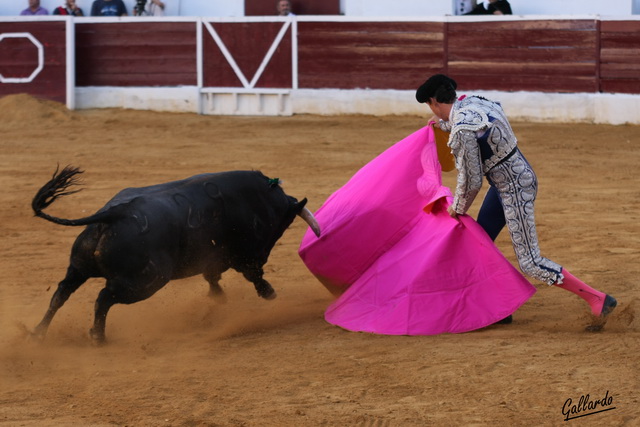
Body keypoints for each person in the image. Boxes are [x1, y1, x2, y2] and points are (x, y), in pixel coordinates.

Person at [415, 74, 617, 328]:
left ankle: (599, 299)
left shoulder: (462, 128)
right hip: (508, 182)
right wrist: (442, 125)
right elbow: (478, 125)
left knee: (531, 262)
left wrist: (457, 208)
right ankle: (502, 307)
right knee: (481, 242)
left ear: (433, 101)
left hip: (514, 189)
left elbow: (472, 180)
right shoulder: (476, 101)